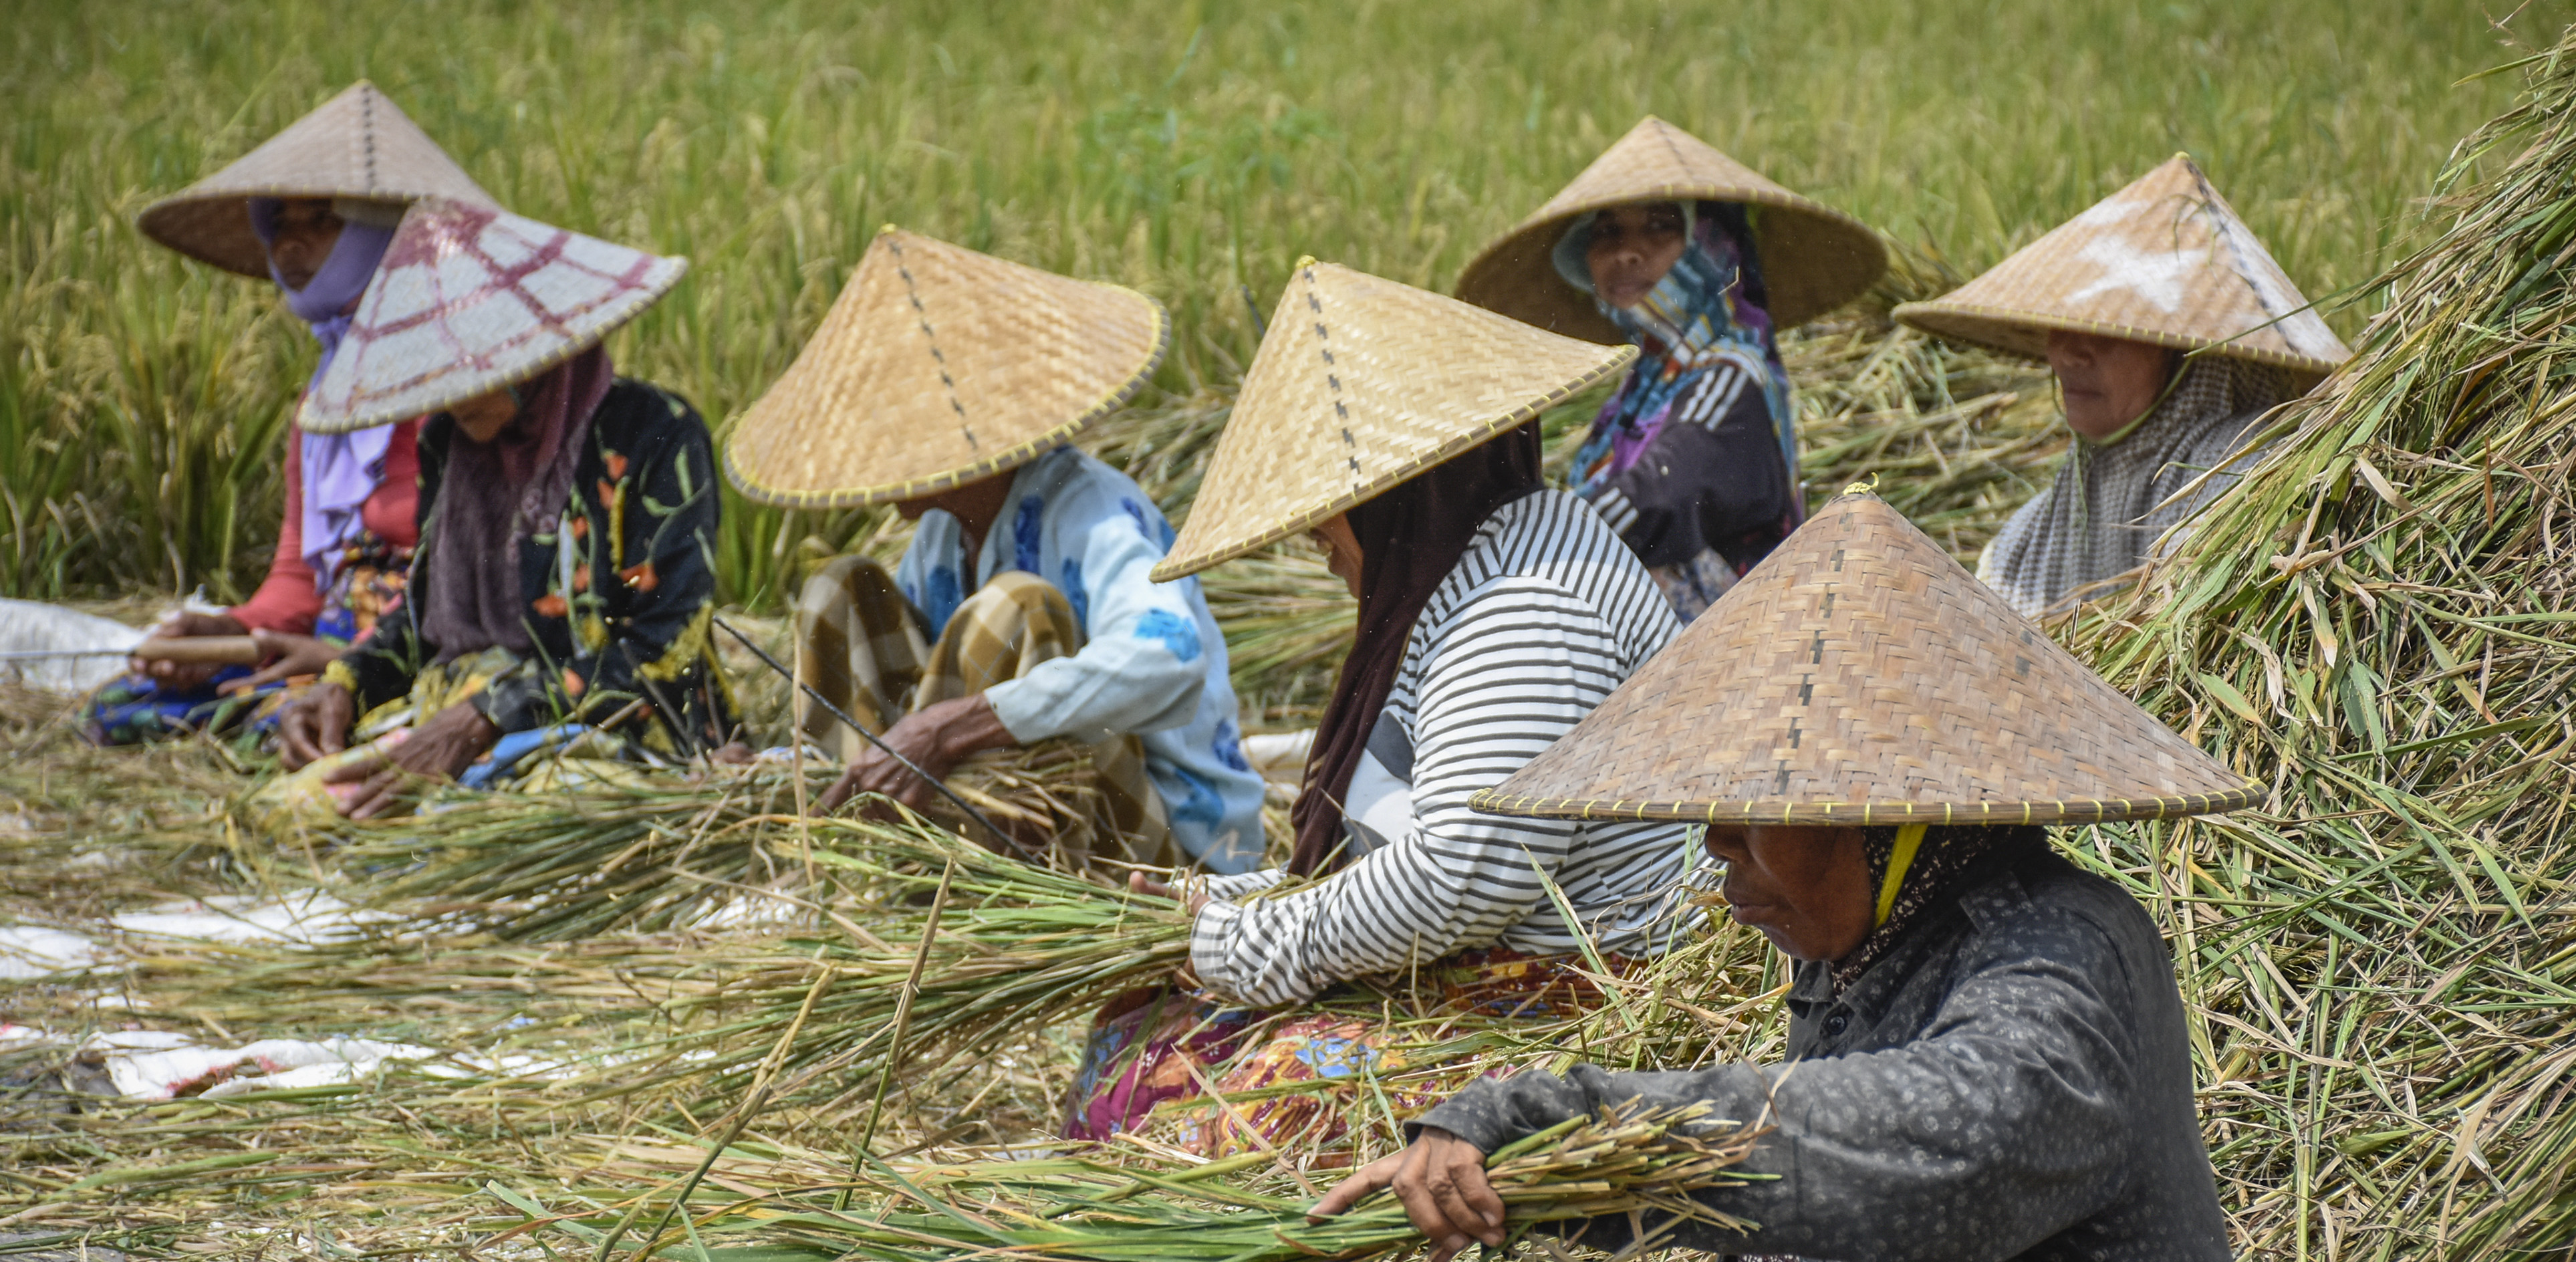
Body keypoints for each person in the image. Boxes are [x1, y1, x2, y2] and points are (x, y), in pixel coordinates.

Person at [1316, 489, 2264, 1262]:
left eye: (1751, 810)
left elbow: (1933, 1147)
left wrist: (1554, 1119)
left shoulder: (2062, 961)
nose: (1719, 860)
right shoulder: (1865, 956)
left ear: (1883, 813)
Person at [1065, 261, 1687, 1154]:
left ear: (1404, 492)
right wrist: (1211, 905)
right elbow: (1399, 853)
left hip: (1571, 1003)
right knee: (1143, 1020)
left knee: (1257, 1093)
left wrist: (1244, 940)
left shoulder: (1524, 605)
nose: (1314, 535)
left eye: (1330, 506)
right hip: (1475, 961)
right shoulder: (1456, 578)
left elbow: (1460, 880)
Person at [723, 229, 1261, 870]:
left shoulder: (1090, 509)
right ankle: (866, 843)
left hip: (1162, 858)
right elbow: (904, 706)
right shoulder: (943, 538)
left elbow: (1166, 659)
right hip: (1003, 823)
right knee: (839, 590)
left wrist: (955, 726)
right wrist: (774, 771)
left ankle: (981, 889)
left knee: (1019, 610)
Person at [274, 198, 738, 819]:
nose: (453, 394)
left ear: (535, 348)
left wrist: (493, 714)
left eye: (474, 365)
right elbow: (422, 611)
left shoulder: (655, 434)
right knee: (292, 813)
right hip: (457, 717)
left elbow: (663, 646)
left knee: (521, 819)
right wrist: (347, 683)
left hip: (617, 730)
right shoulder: (450, 443)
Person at [92, 83, 497, 745]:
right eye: (279, 223)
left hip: (423, 648)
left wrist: (352, 662)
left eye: (321, 220)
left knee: (277, 733)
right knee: (123, 707)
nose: (291, 244)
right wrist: (228, 631)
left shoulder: (466, 396)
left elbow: (477, 586)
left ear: (385, 233)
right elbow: (298, 582)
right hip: (326, 644)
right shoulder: (322, 406)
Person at [1456, 116, 1884, 623]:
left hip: (1735, 650)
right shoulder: (1637, 394)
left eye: (1660, 226)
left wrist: (1524, 543)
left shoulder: (1733, 377)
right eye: (1608, 232)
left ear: (1711, 245)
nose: (1625, 253)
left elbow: (1659, 498)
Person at [1896, 153, 2351, 618]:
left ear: (2186, 354)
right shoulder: (2021, 549)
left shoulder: (2245, 477)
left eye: (2106, 330)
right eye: (2059, 325)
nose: (2065, 355)